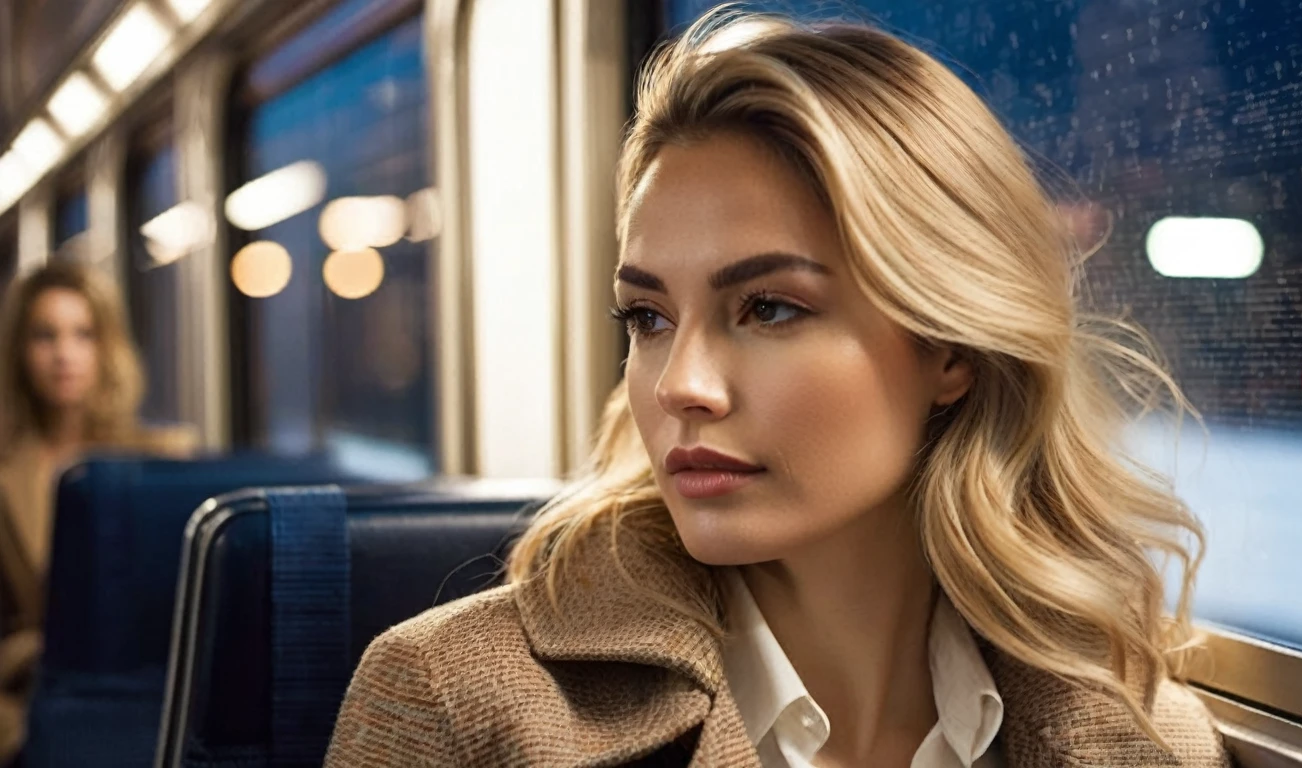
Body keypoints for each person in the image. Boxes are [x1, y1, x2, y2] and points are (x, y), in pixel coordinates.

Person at [325, 10, 1230, 767]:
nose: (682, 386)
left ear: (950, 348)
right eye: (646, 318)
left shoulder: (1144, 732)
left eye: (768, 308)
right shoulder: (452, 702)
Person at [0, 262, 195, 763]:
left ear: (105, 348)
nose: (64, 354)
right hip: (28, 703)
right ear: (20, 351)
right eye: (45, 336)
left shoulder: (163, 463)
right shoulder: (3, 474)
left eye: (82, 334)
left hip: (146, 697)